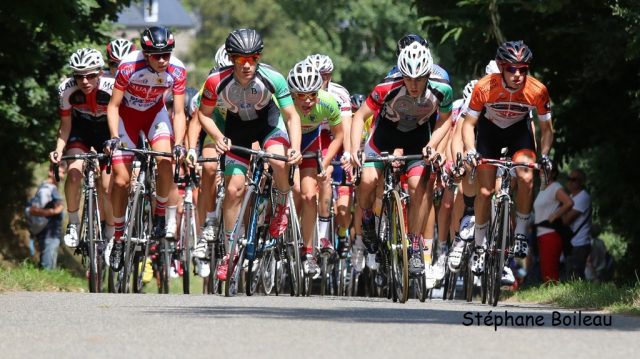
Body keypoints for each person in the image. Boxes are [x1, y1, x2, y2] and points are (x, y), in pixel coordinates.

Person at [198, 28, 302, 281]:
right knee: (234, 189)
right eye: (240, 59)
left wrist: (295, 148)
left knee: (277, 159)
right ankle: (230, 252)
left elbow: (291, 115)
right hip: (236, 129)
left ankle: (282, 206)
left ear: (259, 57)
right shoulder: (216, 81)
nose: (247, 65)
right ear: (231, 59)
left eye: (253, 58)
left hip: (267, 124)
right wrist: (218, 137)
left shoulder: (272, 78)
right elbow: (203, 114)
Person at [351, 41, 452, 275]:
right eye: (408, 78)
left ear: (428, 74)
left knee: (418, 187)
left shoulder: (442, 89)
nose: (414, 84)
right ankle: (367, 219)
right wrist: (356, 149)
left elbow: (446, 120)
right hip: (384, 137)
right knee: (366, 180)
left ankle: (415, 246)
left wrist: (433, 145)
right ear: (401, 74)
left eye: (419, 78)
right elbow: (359, 117)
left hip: (417, 140)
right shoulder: (387, 87)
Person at [463, 40, 554, 275]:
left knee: (525, 177)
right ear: (501, 67)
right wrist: (470, 150)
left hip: (518, 133)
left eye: (523, 69)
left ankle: (521, 233)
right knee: (484, 191)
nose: (518, 75)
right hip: (489, 133)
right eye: (512, 69)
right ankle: (480, 246)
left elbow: (547, 130)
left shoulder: (537, 90)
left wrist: (544, 155)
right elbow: (468, 124)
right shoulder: (484, 87)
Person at [105, 26, 188, 271]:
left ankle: (160, 212)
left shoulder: (178, 70)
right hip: (126, 118)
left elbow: (180, 112)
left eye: (166, 54)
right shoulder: (128, 66)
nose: (162, 60)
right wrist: (112, 136)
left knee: (166, 162)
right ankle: (119, 238)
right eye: (156, 55)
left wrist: (180, 143)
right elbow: (113, 106)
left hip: (155, 115)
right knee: (120, 181)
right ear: (145, 53)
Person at [50, 48, 115, 250]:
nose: (84, 81)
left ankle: (111, 232)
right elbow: (65, 125)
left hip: (107, 131)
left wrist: (115, 140)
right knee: (74, 174)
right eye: (79, 76)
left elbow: (121, 120)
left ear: (100, 73)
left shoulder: (112, 87)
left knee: (106, 186)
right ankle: (73, 223)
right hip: (81, 131)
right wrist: (59, 150)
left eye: (90, 75)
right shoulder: (66, 89)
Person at [287, 60, 344, 277]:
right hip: (285, 139)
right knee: (289, 187)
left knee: (310, 196)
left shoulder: (328, 102)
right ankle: (277, 214)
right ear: (293, 94)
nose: (308, 100)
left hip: (310, 142)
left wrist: (326, 162)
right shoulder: (281, 100)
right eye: (302, 95)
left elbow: (339, 135)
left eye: (312, 94)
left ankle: (307, 252)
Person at [533, 161, 574, 282]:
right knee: (545, 270)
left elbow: (569, 203)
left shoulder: (555, 187)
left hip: (550, 233)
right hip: (541, 234)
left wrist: (556, 214)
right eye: (541, 170)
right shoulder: (543, 189)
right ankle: (549, 295)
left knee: (550, 271)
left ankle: (552, 297)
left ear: (553, 173)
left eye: (546, 170)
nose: (542, 172)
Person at [28, 164, 65, 269]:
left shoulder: (52, 188)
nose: (62, 175)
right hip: (48, 232)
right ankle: (44, 283)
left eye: (63, 173)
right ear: (50, 172)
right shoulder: (47, 189)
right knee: (47, 266)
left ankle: (47, 282)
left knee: (49, 264)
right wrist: (55, 211)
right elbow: (33, 210)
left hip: (51, 232)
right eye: (60, 172)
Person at [563, 168, 592, 280]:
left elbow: (566, 220)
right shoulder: (570, 198)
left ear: (581, 182)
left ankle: (583, 296)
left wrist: (561, 209)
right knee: (570, 275)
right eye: (568, 179)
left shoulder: (583, 197)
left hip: (581, 242)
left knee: (576, 275)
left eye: (573, 179)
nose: (569, 182)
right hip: (572, 242)